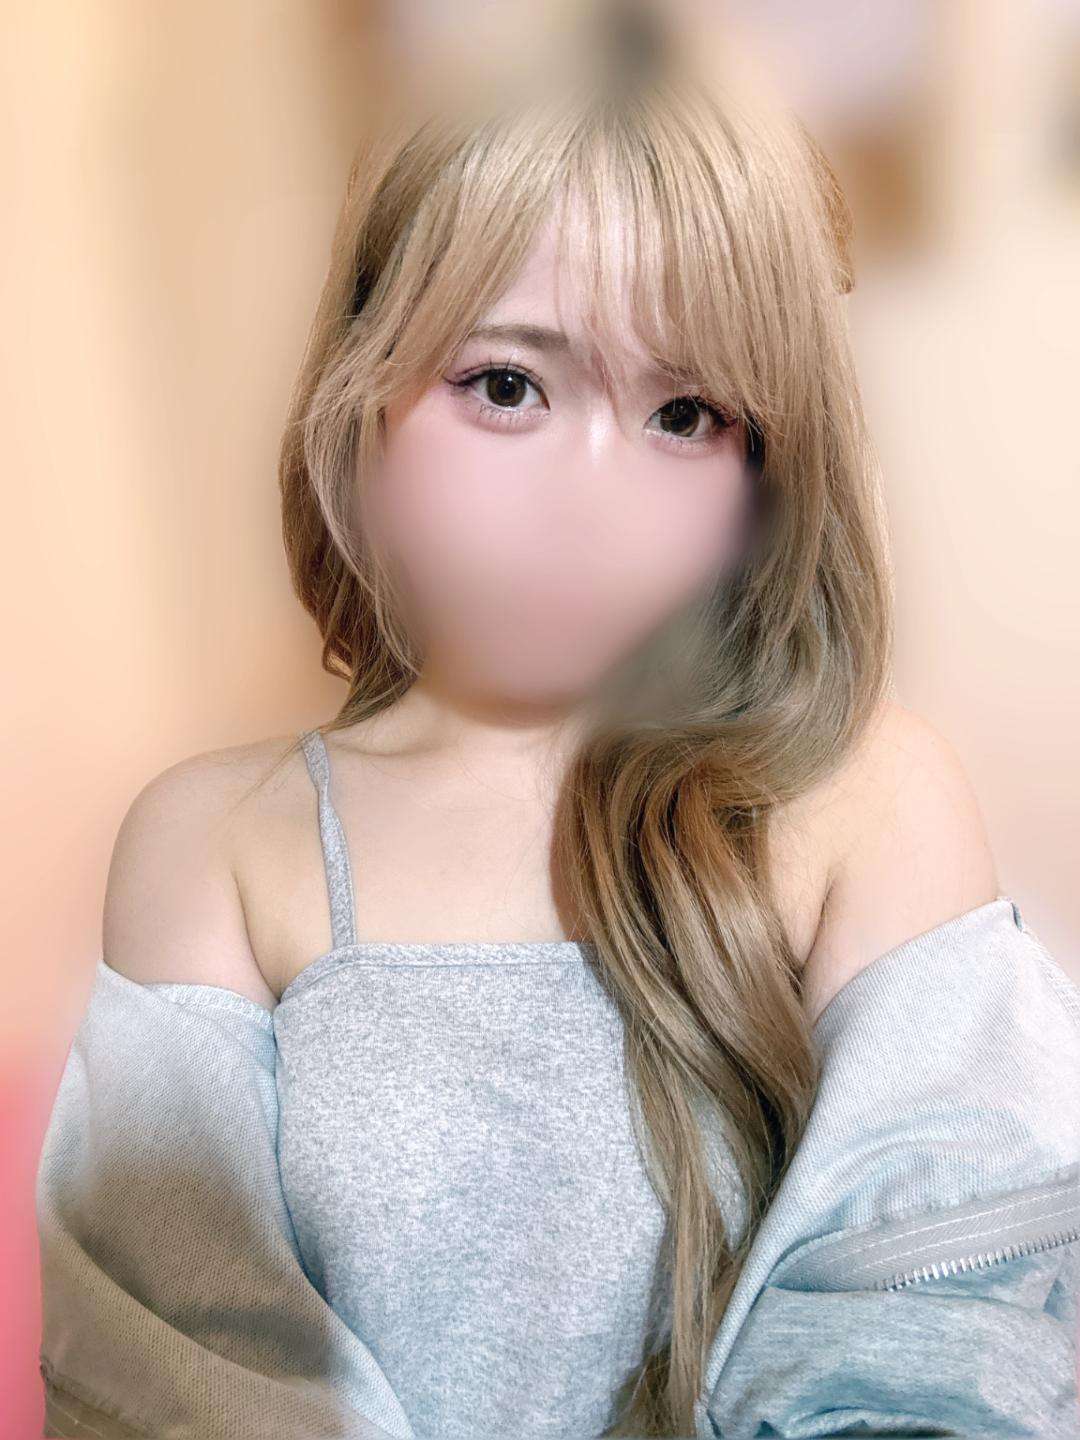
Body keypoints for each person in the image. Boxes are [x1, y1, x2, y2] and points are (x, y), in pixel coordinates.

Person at [35, 15, 1080, 1440]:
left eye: (685, 413)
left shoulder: (863, 797)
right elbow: (176, 1384)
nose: (596, 497)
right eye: (508, 386)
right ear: (366, 394)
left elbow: (938, 1358)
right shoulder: (215, 847)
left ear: (768, 466)